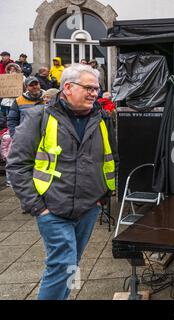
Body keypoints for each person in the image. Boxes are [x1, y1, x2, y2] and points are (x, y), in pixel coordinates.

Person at [6, 63, 118, 300]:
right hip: (53, 209)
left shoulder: (102, 119)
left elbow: (112, 158)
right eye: (88, 88)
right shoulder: (39, 117)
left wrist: (103, 196)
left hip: (88, 208)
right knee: (62, 262)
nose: (94, 93)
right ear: (67, 87)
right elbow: (17, 165)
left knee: (72, 262)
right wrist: (38, 207)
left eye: (96, 89)